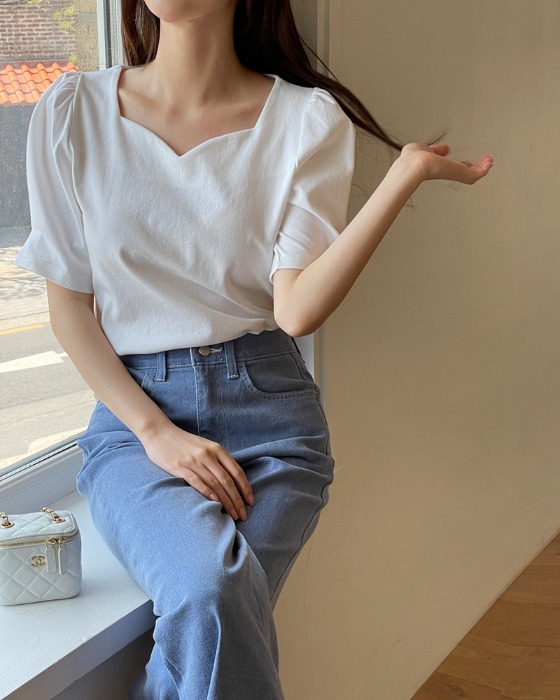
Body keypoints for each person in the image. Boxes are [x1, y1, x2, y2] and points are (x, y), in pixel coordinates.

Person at [14, 1, 493, 698]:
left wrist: (402, 177)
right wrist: (157, 433)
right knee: (212, 593)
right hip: (135, 420)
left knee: (214, 612)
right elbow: (68, 309)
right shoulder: (71, 109)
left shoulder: (306, 119)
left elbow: (295, 311)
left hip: (273, 422)